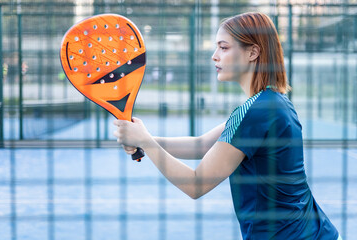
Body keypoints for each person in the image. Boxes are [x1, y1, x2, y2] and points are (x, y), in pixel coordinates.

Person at [114, 12, 340, 240]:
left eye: (223, 47)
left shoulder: (257, 112)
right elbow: (202, 145)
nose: (214, 56)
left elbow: (196, 184)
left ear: (253, 52)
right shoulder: (271, 103)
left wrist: (145, 141)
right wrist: (143, 138)